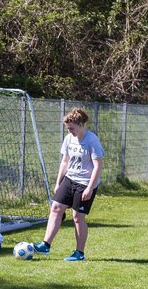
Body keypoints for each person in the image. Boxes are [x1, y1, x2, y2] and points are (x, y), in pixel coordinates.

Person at [33, 108, 104, 262]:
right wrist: (58, 182)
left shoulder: (92, 140)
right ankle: (45, 245)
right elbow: (65, 161)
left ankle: (79, 253)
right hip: (69, 179)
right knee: (56, 207)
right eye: (68, 128)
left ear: (80, 124)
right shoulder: (68, 139)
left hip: (85, 182)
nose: (69, 131)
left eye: (71, 128)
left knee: (77, 217)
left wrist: (90, 188)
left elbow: (98, 165)